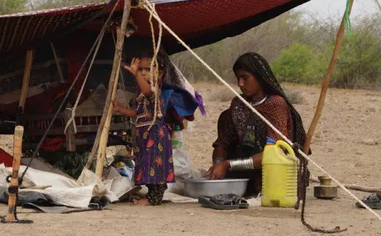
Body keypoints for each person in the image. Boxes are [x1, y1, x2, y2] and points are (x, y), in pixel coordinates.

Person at [207, 52, 308, 197]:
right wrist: (218, 163)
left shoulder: (275, 105)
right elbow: (222, 143)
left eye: (245, 78)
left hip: (276, 172)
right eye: (238, 78)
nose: (240, 84)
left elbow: (275, 152)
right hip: (244, 171)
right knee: (225, 117)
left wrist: (228, 165)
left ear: (259, 78)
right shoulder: (238, 104)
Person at [114, 49, 198, 205]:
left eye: (147, 69)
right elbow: (136, 113)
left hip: (155, 136)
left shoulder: (154, 91)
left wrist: (136, 74)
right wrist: (121, 110)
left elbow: (148, 91)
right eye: (141, 70)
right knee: (147, 165)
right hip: (145, 136)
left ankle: (154, 198)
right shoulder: (141, 96)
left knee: (155, 167)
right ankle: (151, 195)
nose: (143, 73)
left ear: (159, 73)